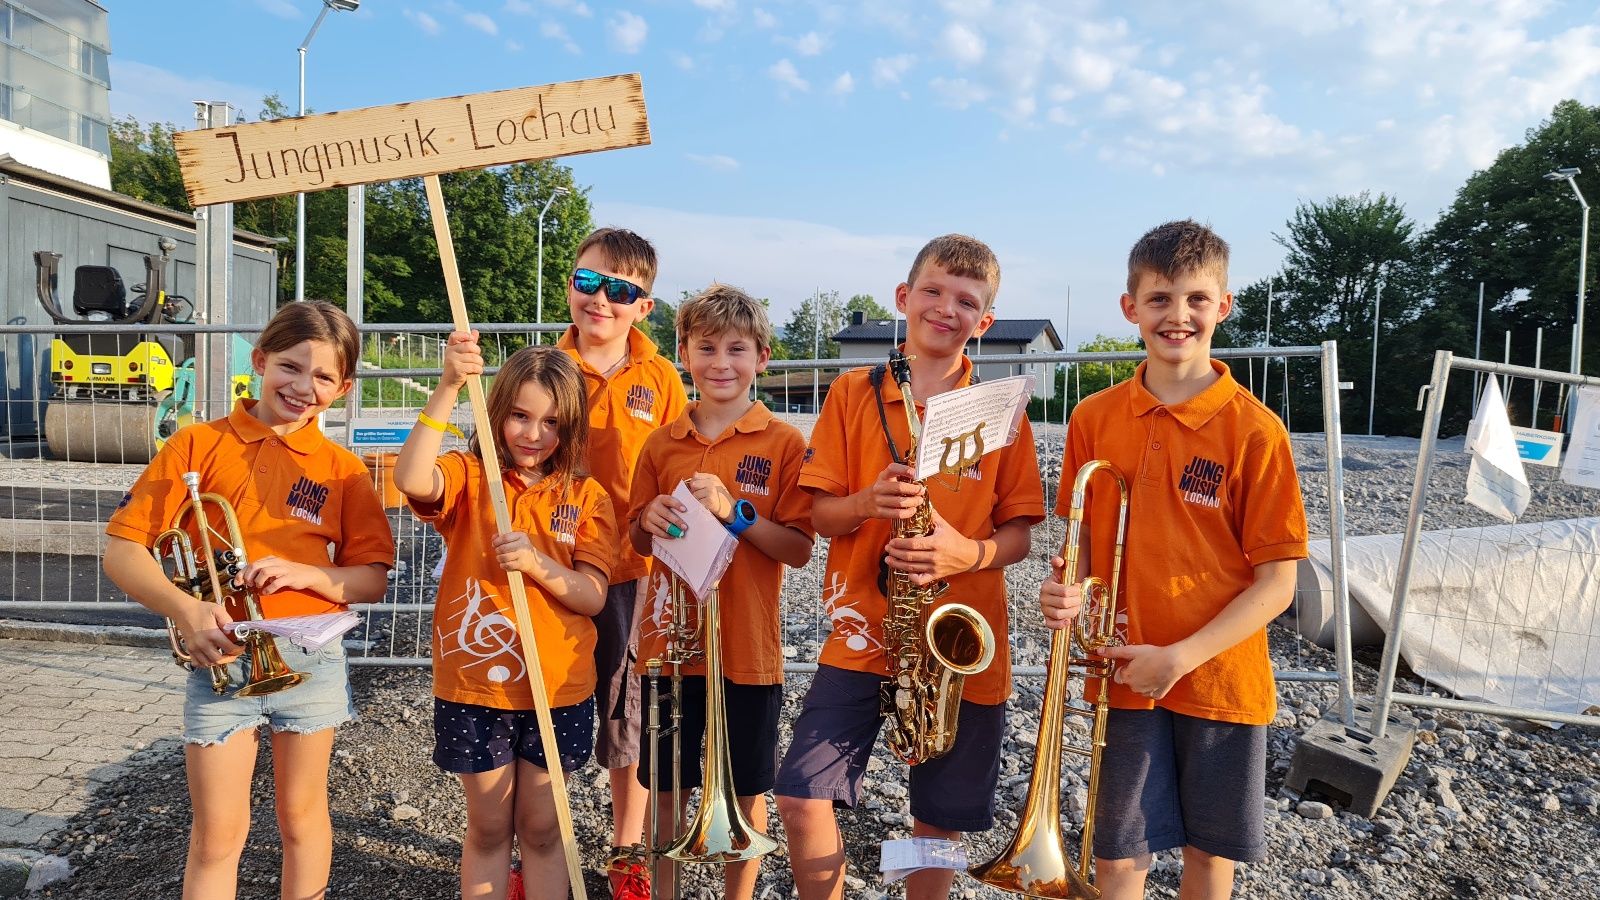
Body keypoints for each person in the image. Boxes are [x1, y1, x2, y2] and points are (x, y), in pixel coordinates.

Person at [1039, 219, 1309, 900]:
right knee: (1118, 857)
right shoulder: (1093, 418)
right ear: (1130, 308)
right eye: (1159, 299)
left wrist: (1181, 656)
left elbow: (1279, 583)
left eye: (1195, 299)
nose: (1177, 315)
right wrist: (1068, 589)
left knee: (1208, 858)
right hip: (1126, 670)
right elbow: (1085, 547)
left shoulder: (1257, 431)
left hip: (1221, 681)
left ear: (1224, 306)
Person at [774, 235, 1045, 900]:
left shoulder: (1003, 410)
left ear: (985, 322)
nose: (946, 309)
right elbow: (822, 517)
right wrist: (866, 502)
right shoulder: (850, 392)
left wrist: (966, 553)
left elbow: (1019, 535)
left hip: (959, 647)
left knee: (935, 822)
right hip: (864, 634)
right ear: (903, 297)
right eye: (932, 291)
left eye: (967, 302)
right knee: (801, 795)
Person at [103, 300, 394, 900]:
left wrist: (306, 574)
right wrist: (186, 610)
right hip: (222, 659)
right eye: (290, 367)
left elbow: (371, 580)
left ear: (343, 389)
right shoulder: (196, 445)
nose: (304, 387)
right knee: (215, 837)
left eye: (323, 377)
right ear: (260, 361)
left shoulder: (344, 471)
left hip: (310, 659)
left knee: (303, 821)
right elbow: (122, 552)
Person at [393, 338, 616, 900]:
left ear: (572, 428)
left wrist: (539, 564)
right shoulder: (470, 475)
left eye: (551, 422)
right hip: (476, 686)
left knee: (542, 830)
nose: (533, 434)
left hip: (558, 688)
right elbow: (411, 479)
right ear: (496, 412)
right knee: (490, 827)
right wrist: (448, 385)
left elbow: (592, 595)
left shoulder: (587, 496)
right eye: (519, 415)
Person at [627, 285, 815, 900]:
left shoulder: (784, 442)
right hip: (670, 649)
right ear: (683, 354)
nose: (721, 363)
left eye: (737, 349)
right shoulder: (660, 443)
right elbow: (636, 538)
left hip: (747, 650)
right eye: (706, 348)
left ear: (762, 357)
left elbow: (798, 548)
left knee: (747, 792)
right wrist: (648, 518)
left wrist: (735, 513)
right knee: (666, 789)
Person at [555, 227, 688, 898]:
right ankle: (539, 840)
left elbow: (679, 465)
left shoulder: (661, 379)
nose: (600, 299)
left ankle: (626, 848)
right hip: (551, 564)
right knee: (541, 703)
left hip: (632, 572)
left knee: (624, 712)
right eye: (588, 282)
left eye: (619, 289)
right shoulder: (542, 367)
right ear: (570, 285)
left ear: (644, 306)